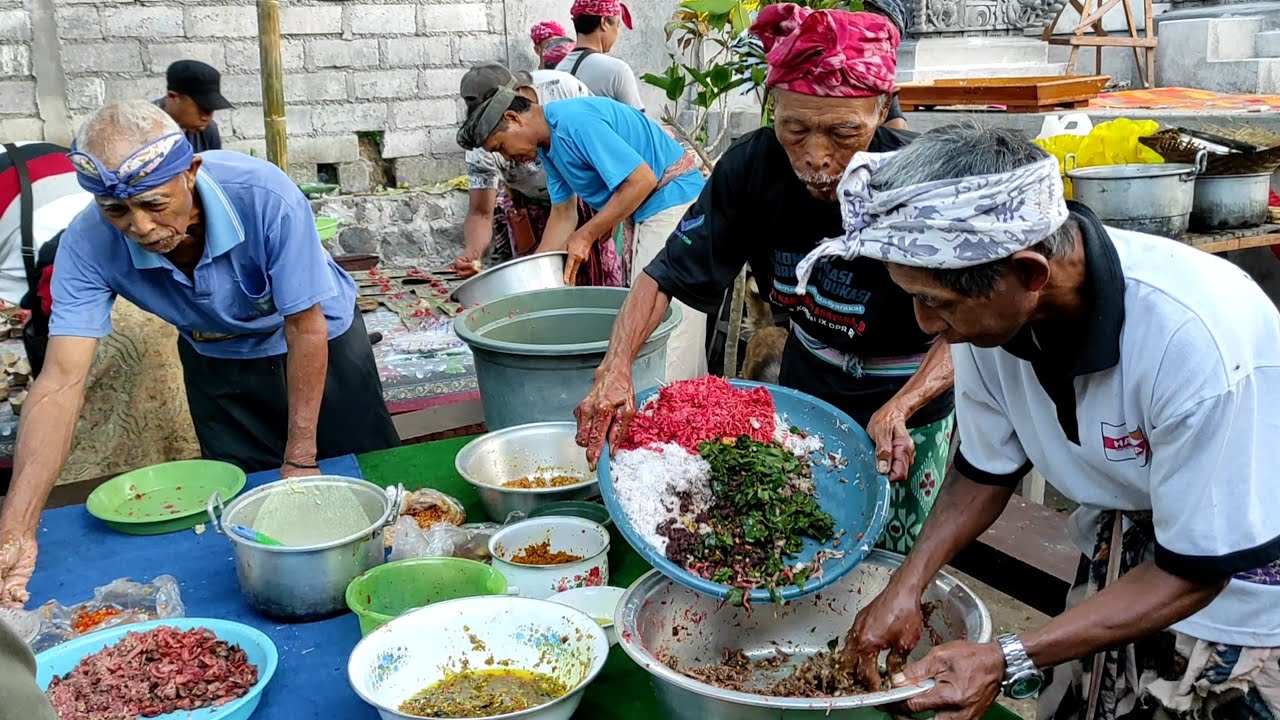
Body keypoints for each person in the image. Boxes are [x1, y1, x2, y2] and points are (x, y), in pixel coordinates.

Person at [836, 123, 1280, 720]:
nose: (923, 324)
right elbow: (983, 469)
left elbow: (1193, 573)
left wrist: (1006, 657)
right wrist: (906, 585)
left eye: (937, 302)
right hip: (1126, 543)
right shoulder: (988, 317)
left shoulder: (1192, 339)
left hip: (1235, 577)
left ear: (1030, 274)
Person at [573, 4, 955, 554]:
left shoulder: (923, 181)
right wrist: (616, 367)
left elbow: (971, 331)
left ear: (879, 109)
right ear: (773, 110)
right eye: (794, 129)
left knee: (891, 563)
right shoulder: (751, 169)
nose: (816, 157)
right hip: (809, 392)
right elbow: (664, 275)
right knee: (795, 543)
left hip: (905, 404)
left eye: (844, 132)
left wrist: (902, 405)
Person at [0, 101, 401, 607]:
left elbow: (305, 326)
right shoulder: (88, 239)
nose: (140, 227)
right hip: (216, 361)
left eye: (154, 204)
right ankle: (280, 596)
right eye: (117, 210)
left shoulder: (263, 195)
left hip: (322, 348)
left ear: (191, 172)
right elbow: (59, 380)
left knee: (362, 479)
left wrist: (299, 459)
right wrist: (16, 527)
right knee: (250, 504)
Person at [459, 90, 708, 381]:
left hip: (675, 203)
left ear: (513, 118)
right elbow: (564, 215)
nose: (508, 158)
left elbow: (641, 181)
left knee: (662, 325)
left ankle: (664, 414)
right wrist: (533, 279)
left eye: (501, 146)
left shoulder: (574, 121)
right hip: (650, 212)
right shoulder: (549, 148)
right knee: (654, 319)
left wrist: (588, 234)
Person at [0, 143, 201, 487]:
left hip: (86, 310)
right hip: (153, 296)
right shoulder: (67, 156)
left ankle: (82, 497)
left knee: (80, 415)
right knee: (166, 409)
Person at [451, 63, 621, 284]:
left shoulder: (563, 93)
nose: (505, 155)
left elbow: (610, 151)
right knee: (540, 281)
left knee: (598, 279)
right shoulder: (483, 146)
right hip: (533, 207)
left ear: (513, 109)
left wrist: (598, 225)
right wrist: (472, 252)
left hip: (590, 197)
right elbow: (481, 212)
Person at [557, 0, 644, 111]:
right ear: (604, 22)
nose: (617, 33)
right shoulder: (617, 70)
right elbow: (639, 126)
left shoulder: (559, 69)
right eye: (617, 25)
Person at [154, 60, 232, 152]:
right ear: (173, 97)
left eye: (211, 109)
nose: (206, 118)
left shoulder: (209, 130)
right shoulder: (143, 128)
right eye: (202, 108)